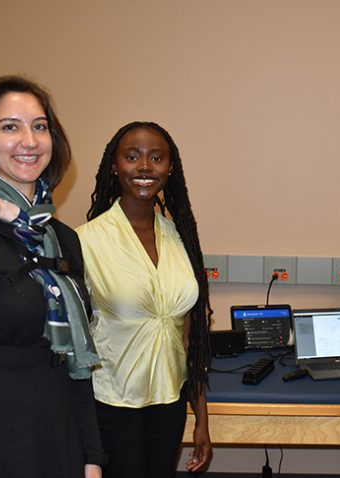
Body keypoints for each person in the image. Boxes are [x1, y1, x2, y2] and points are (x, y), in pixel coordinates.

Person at [0, 75, 105, 477]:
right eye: (10, 126)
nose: (29, 141)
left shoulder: (62, 239)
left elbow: (75, 361)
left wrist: (92, 457)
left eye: (40, 126)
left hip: (58, 431)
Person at [76, 122, 213, 478]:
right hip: (111, 402)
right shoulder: (86, 242)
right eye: (132, 156)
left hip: (169, 401)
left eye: (157, 157)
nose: (145, 167)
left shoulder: (181, 238)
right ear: (114, 165)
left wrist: (201, 419)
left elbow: (190, 338)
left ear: (171, 167)